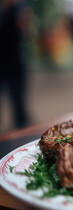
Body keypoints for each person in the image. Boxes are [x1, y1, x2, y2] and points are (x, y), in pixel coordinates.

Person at [0, 0, 30, 128]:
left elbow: (25, 31)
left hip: (14, 61)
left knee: (18, 100)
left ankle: (22, 128)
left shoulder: (18, 7)